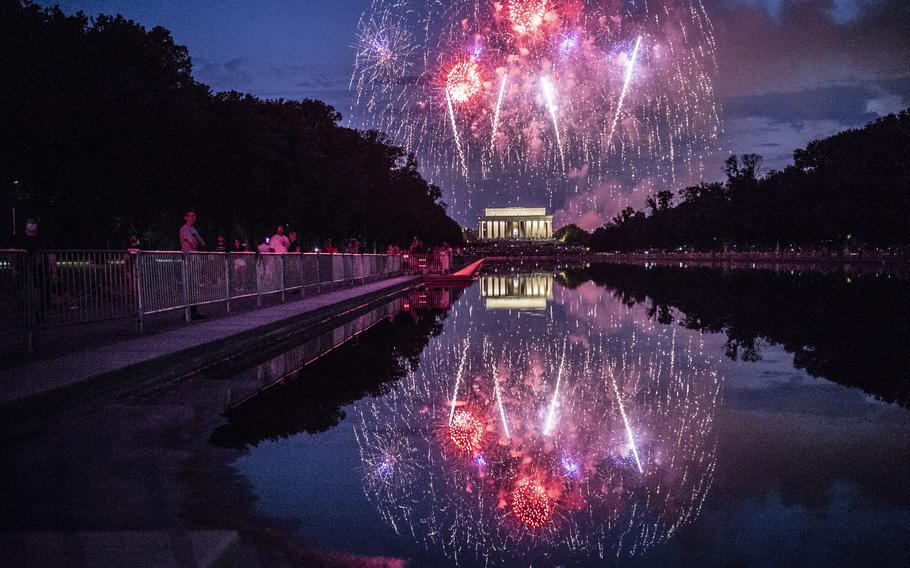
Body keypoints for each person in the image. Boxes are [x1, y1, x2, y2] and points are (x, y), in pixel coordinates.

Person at [179, 210, 206, 319]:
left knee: (195, 284)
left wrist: (196, 241)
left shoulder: (193, 229)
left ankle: (194, 309)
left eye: (193, 216)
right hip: (189, 258)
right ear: (185, 217)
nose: (192, 218)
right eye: (189, 216)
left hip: (195, 258)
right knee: (190, 284)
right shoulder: (184, 229)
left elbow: (202, 242)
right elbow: (193, 243)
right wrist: (195, 241)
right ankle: (189, 309)